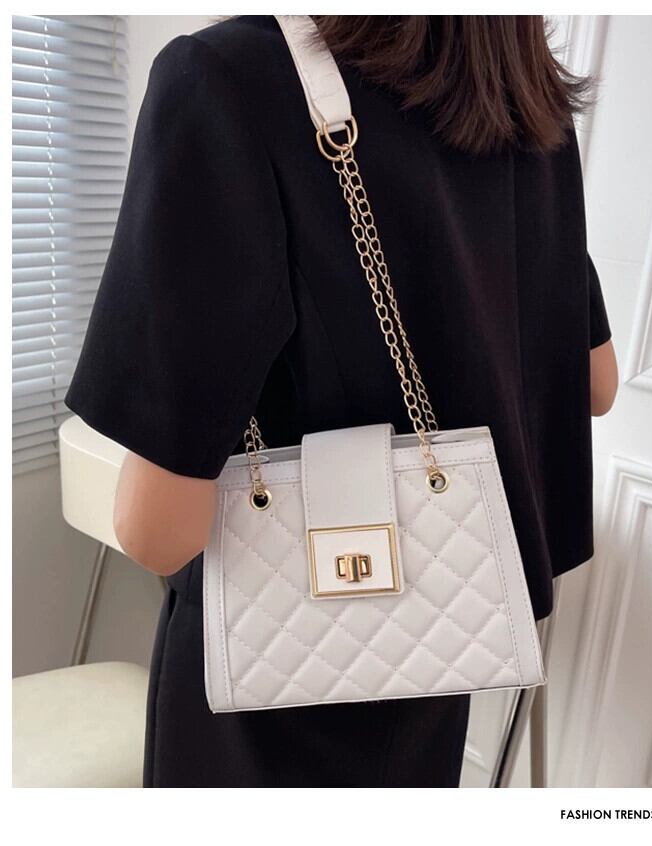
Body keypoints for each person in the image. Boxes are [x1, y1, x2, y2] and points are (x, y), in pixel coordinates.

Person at [65, 15, 617, 788]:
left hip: (269, 697)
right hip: (439, 639)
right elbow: (598, 384)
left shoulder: (226, 79)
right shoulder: (524, 99)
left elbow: (157, 532)